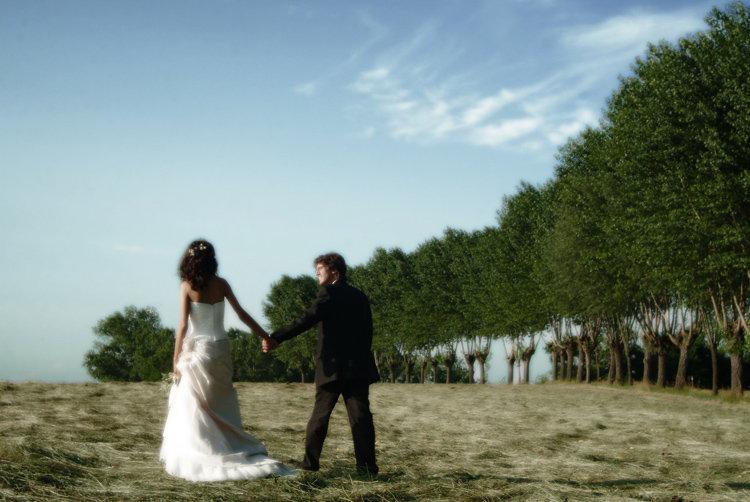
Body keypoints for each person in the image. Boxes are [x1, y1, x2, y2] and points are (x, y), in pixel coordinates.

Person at [160, 239, 296, 482]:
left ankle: (205, 448)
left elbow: (182, 326)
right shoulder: (222, 284)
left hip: (199, 351)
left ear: (189, 260)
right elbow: (242, 315)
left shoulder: (186, 286)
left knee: (197, 404)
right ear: (212, 259)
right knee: (217, 402)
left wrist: (175, 360)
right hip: (221, 348)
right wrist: (267, 337)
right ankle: (227, 444)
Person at [264, 252, 380, 475]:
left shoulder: (328, 292)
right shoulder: (360, 296)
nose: (316, 272)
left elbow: (307, 319)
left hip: (332, 368)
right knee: (361, 419)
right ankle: (367, 469)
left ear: (334, 272)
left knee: (319, 418)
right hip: (358, 368)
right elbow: (368, 331)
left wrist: (275, 337)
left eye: (320, 268)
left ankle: (309, 466)